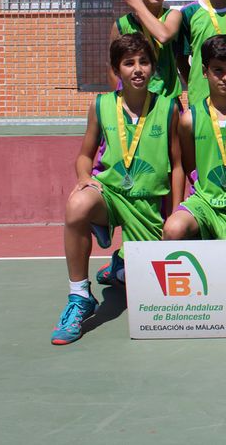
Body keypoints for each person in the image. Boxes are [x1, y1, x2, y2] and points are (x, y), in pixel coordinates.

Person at [51, 33, 183, 345]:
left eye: (144, 62)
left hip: (148, 207)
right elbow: (85, 155)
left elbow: (177, 165)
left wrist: (176, 210)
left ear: (153, 68)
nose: (138, 69)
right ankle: (80, 297)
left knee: (158, 291)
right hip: (110, 195)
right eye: (129, 63)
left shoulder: (168, 108)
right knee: (77, 205)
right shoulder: (100, 105)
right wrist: (84, 177)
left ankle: (120, 264)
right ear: (116, 69)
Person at [164, 35, 226, 240]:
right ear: (204, 71)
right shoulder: (189, 120)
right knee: (173, 228)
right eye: (218, 70)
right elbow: (190, 167)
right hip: (205, 205)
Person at [114, 0, 182, 99]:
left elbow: (163, 35)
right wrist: (119, 95)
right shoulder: (121, 24)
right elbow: (112, 65)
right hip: (133, 101)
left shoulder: (173, 15)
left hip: (167, 99)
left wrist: (138, 4)